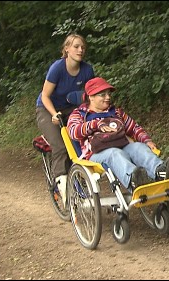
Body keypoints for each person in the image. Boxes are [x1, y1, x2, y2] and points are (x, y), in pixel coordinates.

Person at [67, 77, 169, 193]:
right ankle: (134, 180)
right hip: (96, 153)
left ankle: (160, 171)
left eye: (108, 94)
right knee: (115, 153)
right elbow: (73, 132)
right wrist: (95, 124)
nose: (108, 97)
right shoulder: (79, 114)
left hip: (122, 145)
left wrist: (147, 141)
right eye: (103, 95)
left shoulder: (115, 112)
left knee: (138, 147)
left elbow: (134, 128)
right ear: (91, 97)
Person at [35, 33, 95, 204]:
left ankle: (81, 178)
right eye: (76, 46)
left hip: (71, 108)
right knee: (61, 146)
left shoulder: (87, 70)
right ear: (66, 49)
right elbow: (45, 96)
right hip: (48, 108)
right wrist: (54, 114)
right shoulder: (58, 68)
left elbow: (91, 96)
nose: (80, 50)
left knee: (81, 141)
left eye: (83, 47)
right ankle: (62, 187)